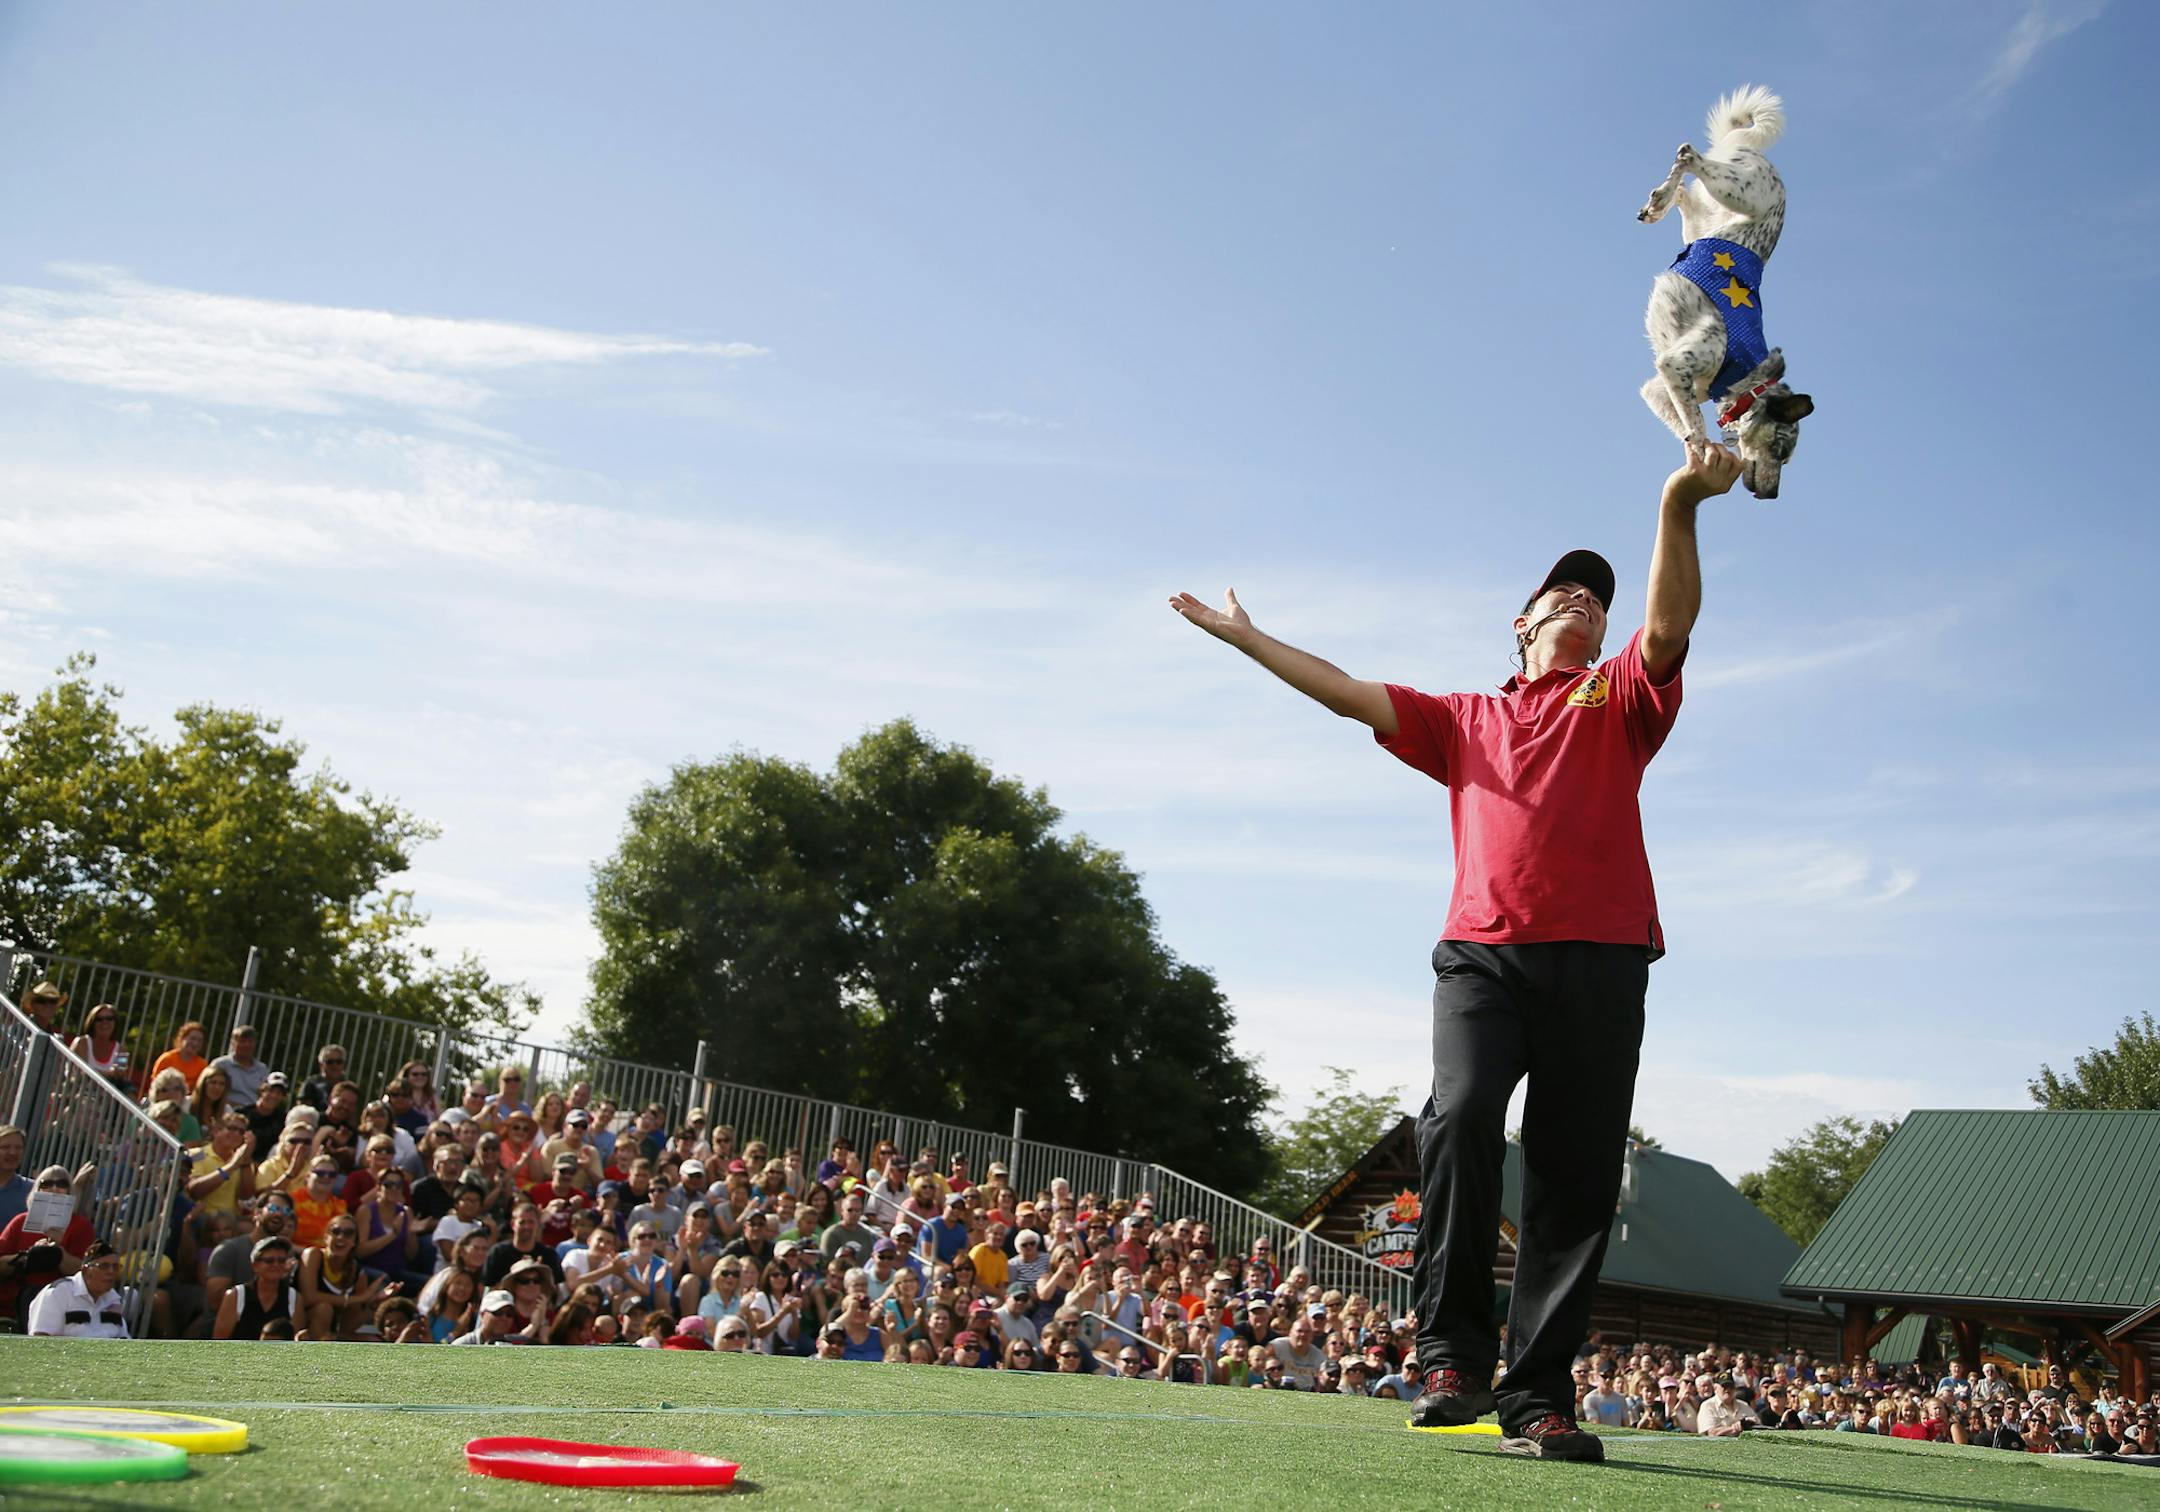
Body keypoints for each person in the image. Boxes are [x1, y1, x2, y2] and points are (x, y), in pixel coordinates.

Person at [1170, 442, 1740, 1462]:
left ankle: (1535, 1401)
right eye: (1564, 592)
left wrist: (1678, 501)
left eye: (1596, 600)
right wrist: (1247, 639)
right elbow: (1346, 690)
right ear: (1520, 626)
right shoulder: (1463, 718)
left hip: (1605, 960)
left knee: (1573, 1179)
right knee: (1463, 1116)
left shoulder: (1619, 701)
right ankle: (1451, 1358)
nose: (1585, 602)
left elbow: (1670, 625)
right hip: (1482, 956)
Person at [28, 1241, 130, 1338]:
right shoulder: (58, 1293)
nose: (111, 1272)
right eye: (104, 1266)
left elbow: (124, 1339)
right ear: (85, 1270)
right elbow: (40, 1339)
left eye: (115, 1267)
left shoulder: (113, 1298)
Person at [209, 1025, 271, 1110]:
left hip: (254, 1114)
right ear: (232, 1043)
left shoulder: (262, 1069)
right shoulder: (220, 1065)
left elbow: (266, 1095)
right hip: (224, 1111)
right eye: (242, 1041)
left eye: (250, 1041)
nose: (247, 1045)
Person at [149, 1021, 212, 1092]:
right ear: (182, 1039)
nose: (195, 1043)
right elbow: (155, 1085)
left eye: (199, 1040)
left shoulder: (203, 1065)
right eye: (192, 1038)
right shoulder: (167, 1059)